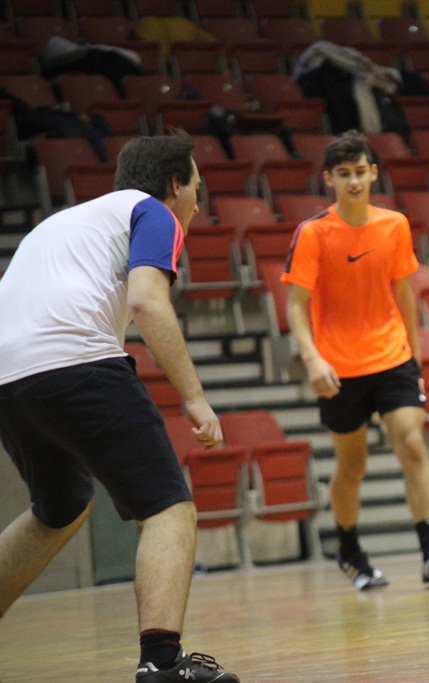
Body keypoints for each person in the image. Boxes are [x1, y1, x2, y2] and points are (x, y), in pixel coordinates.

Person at [0, 132, 239, 683]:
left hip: (10, 379)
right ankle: (161, 662)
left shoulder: (63, 222)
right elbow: (146, 300)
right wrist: (195, 398)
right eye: (196, 189)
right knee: (168, 507)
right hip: (76, 361)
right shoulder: (154, 212)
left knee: (57, 509)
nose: (198, 205)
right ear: (174, 184)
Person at [282, 130, 429, 592]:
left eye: (361, 172)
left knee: (412, 443)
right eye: (344, 175)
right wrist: (312, 359)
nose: (354, 182)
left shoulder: (395, 225)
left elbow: (404, 291)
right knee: (352, 466)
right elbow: (296, 304)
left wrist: (414, 355)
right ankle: (348, 548)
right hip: (338, 368)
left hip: (392, 356)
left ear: (373, 173)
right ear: (329, 179)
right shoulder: (313, 233)